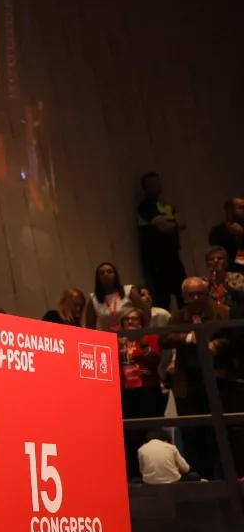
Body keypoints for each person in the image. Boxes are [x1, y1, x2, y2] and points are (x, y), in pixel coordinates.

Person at [166, 277, 237, 480]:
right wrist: (186, 338)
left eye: (200, 293)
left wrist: (216, 345)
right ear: (184, 297)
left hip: (218, 380)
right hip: (189, 383)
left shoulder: (221, 311)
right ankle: (200, 477)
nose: (196, 297)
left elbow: (235, 340)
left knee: (224, 432)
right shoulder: (178, 316)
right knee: (195, 434)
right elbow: (163, 338)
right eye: (191, 294)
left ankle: (229, 478)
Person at [117, 307, 164, 478]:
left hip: (147, 391)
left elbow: (155, 360)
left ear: (142, 322)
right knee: (129, 435)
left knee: (150, 432)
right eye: (127, 319)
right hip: (125, 392)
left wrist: (143, 345)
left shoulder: (149, 337)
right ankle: (132, 474)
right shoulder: (115, 340)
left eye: (135, 319)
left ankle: (153, 472)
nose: (131, 322)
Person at [135, 173, 186, 309]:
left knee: (184, 294)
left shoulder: (167, 206)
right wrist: (172, 223)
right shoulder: (145, 207)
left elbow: (182, 223)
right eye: (152, 184)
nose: (156, 186)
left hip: (174, 258)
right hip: (156, 262)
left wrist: (170, 224)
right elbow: (165, 226)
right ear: (145, 187)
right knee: (162, 300)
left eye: (157, 183)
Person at [85, 262, 131, 330]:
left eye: (109, 272)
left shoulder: (128, 291)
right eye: (102, 273)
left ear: (115, 275)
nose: (105, 274)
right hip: (106, 338)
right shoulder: (93, 299)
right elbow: (90, 328)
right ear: (98, 278)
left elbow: (144, 311)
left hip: (130, 335)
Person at [203, 247, 244, 313]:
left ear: (226, 262)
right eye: (211, 259)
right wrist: (210, 285)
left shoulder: (237, 277)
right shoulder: (202, 282)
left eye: (220, 258)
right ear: (207, 263)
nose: (215, 261)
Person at [207, 197, 244, 270]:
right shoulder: (217, 232)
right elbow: (219, 256)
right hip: (231, 274)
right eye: (241, 208)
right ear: (230, 211)